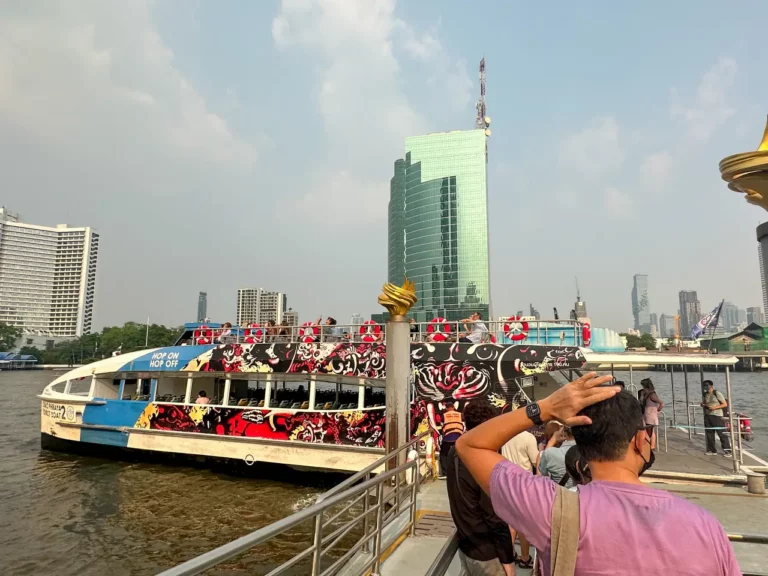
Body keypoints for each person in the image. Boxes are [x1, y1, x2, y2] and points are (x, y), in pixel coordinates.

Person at [454, 372, 740, 576]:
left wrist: (547, 407)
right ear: (640, 440)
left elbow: (469, 445)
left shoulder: (552, 511)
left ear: (580, 444)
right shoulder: (705, 525)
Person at [446, 402, 516, 576]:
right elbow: (494, 517)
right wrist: (508, 561)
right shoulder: (482, 461)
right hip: (489, 554)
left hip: (467, 545)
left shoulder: (454, 451)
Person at [501, 426, 539, 570]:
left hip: (506, 482)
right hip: (523, 485)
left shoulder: (506, 434)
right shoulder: (529, 438)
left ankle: (508, 556)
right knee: (523, 524)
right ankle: (525, 558)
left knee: (510, 524)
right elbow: (536, 462)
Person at [701, 380, 732, 456]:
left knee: (721, 433)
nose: (705, 387)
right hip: (708, 415)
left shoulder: (717, 393)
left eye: (706, 385)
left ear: (711, 386)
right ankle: (712, 450)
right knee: (709, 434)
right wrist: (703, 404)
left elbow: (724, 404)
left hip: (717, 416)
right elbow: (704, 402)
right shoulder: (705, 394)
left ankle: (727, 451)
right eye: (704, 385)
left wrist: (714, 408)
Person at [638, 378, 664, 450]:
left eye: (644, 387)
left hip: (651, 415)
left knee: (649, 432)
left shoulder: (652, 395)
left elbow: (662, 403)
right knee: (650, 431)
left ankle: (651, 446)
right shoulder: (647, 394)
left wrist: (658, 410)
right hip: (647, 415)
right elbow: (640, 402)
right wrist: (642, 395)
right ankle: (651, 446)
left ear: (646, 387)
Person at [439, 406, 465, 479]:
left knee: (443, 454)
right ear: (453, 407)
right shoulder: (460, 414)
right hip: (458, 437)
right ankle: (460, 472)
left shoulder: (444, 415)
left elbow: (442, 425)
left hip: (448, 437)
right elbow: (463, 425)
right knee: (460, 454)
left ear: (447, 408)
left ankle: (445, 473)